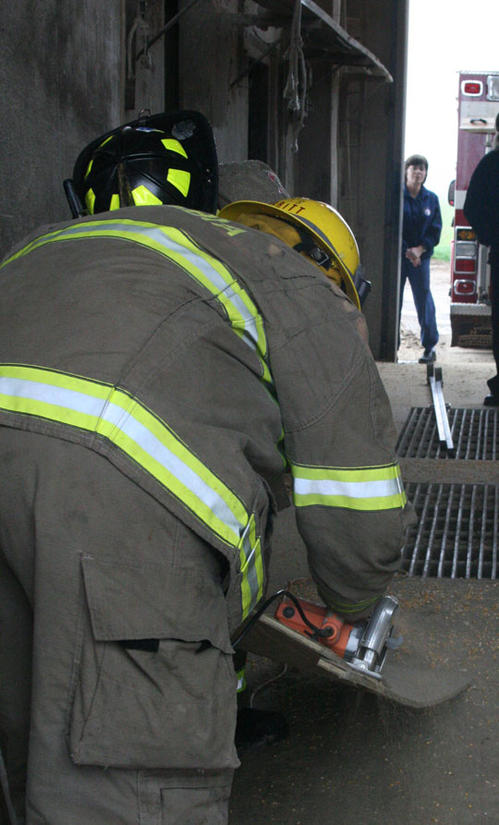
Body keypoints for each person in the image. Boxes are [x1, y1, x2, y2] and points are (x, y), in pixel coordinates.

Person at [0, 110, 412, 825]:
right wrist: (354, 603)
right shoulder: (294, 285)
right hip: (109, 501)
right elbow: (358, 501)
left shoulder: (57, 243)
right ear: (341, 283)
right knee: (126, 787)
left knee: (32, 725)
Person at [463, 113, 499, 406]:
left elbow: (472, 207)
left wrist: (490, 237)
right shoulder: (490, 165)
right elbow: (473, 207)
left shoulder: (490, 164)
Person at [400, 154, 442, 363]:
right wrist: (408, 251)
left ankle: (430, 347)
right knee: (393, 300)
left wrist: (420, 250)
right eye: (414, 168)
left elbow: (435, 230)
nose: (418, 172)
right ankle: (390, 347)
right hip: (399, 258)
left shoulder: (431, 199)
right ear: (406, 171)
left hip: (421, 259)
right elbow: (391, 225)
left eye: (422, 169)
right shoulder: (397, 196)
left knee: (424, 300)